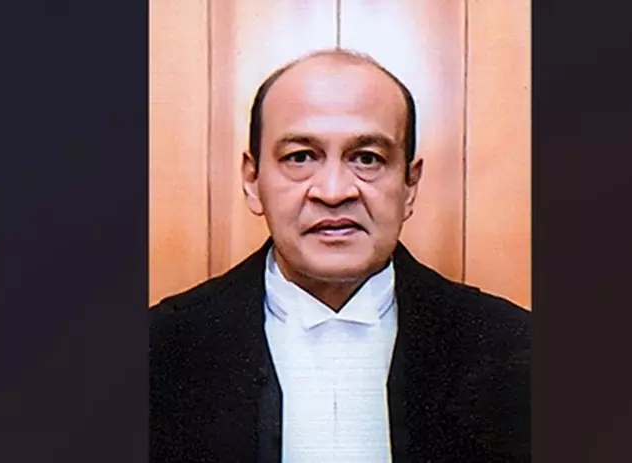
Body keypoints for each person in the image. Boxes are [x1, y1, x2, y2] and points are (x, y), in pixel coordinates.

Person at [150, 48, 531, 462]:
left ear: (409, 185)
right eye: (300, 157)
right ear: (252, 180)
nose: (333, 192)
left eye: (368, 159)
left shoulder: (515, 349)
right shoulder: (157, 350)